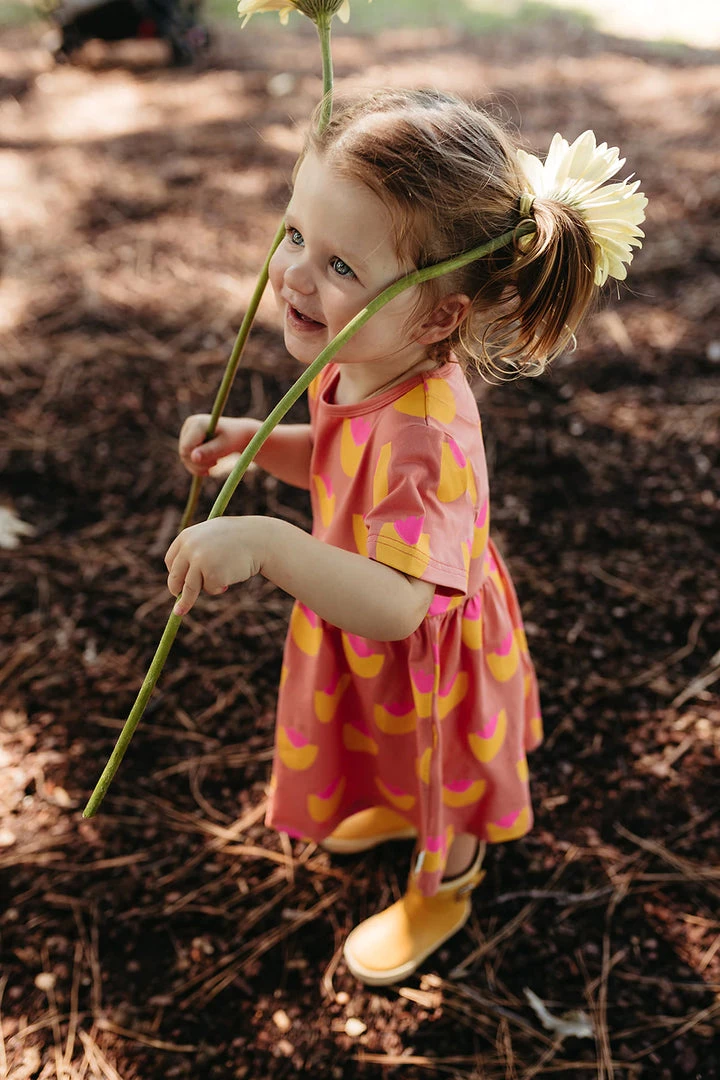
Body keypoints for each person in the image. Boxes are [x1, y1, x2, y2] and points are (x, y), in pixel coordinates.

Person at [165, 88, 642, 986]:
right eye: (296, 234)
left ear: (438, 317)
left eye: (342, 265)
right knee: (390, 751)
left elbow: (398, 606)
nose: (295, 275)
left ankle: (446, 884)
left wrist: (268, 545)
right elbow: (342, 466)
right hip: (367, 623)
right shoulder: (361, 362)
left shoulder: (426, 434)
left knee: (439, 768)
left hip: (428, 661)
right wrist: (255, 444)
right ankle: (394, 808)